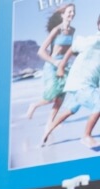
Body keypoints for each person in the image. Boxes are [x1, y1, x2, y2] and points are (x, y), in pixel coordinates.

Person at [42, 12, 100, 148]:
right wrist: (61, 66)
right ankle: (86, 136)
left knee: (70, 109)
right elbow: (73, 47)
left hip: (80, 83)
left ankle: (48, 130)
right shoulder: (93, 40)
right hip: (81, 83)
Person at [26, 4, 76, 123]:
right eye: (69, 12)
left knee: (60, 98)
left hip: (64, 65)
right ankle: (34, 105)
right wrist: (55, 61)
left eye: (73, 12)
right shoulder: (56, 30)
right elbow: (41, 51)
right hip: (52, 65)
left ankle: (50, 124)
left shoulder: (73, 30)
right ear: (62, 14)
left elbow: (68, 49)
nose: (72, 14)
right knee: (52, 97)